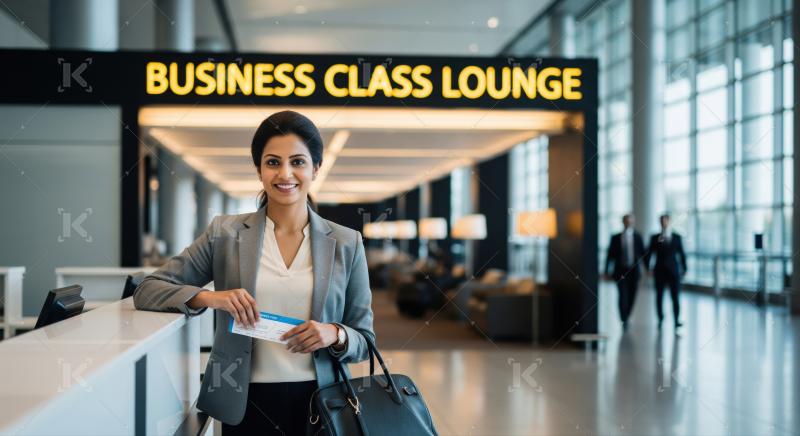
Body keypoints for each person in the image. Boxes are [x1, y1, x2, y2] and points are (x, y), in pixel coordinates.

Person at [133, 110, 375, 435]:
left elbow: (366, 340)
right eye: (273, 162)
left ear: (316, 168)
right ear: (259, 170)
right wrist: (211, 297)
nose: (285, 173)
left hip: (323, 402)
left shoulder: (347, 243)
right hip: (245, 402)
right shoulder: (226, 234)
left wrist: (336, 333)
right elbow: (148, 289)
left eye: (298, 162)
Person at [645, 214, 687, 330]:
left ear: (669, 221)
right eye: (661, 221)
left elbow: (682, 254)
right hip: (659, 271)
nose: (663, 222)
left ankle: (676, 320)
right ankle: (660, 318)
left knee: (675, 297)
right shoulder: (655, 238)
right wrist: (648, 268)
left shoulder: (677, 237)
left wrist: (685, 268)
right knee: (659, 296)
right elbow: (649, 253)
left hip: (674, 271)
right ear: (659, 222)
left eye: (665, 220)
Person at [604, 214, 645, 330]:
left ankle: (627, 315)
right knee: (622, 295)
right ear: (623, 222)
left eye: (631, 221)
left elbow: (643, 253)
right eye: (627, 221)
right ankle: (624, 319)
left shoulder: (638, 237)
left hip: (634, 271)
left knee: (632, 295)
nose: (629, 223)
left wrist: (648, 268)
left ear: (633, 222)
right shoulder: (615, 237)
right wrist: (606, 270)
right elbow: (610, 255)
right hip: (620, 271)